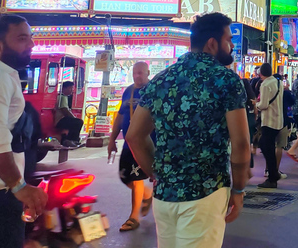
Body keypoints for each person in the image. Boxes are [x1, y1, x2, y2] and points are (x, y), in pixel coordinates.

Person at [125, 12, 251, 248]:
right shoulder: (226, 80)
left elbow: (133, 136)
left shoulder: (161, 79)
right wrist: (239, 189)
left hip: (164, 197)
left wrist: (157, 173)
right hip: (206, 194)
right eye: (228, 39)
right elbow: (241, 143)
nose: (232, 45)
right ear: (212, 43)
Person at [0, 15, 48, 248]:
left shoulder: (4, 73)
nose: (31, 45)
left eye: (31, 38)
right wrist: (19, 187)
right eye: (22, 38)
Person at [108, 61, 154, 232]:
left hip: (144, 142)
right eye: (135, 73)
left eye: (141, 73)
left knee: (136, 179)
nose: (137, 76)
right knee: (125, 177)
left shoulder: (153, 90)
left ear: (148, 72)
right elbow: (120, 116)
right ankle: (147, 194)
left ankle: (134, 217)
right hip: (128, 143)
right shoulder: (129, 91)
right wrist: (112, 139)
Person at [256, 65, 285, 188]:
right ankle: (274, 173)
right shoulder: (278, 83)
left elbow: (263, 105)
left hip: (268, 121)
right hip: (278, 119)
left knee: (266, 147)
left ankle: (272, 177)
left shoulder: (265, 85)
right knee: (268, 147)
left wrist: (255, 104)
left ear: (261, 73)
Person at [54, 81, 83, 147]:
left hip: (61, 120)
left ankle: (72, 140)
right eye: (71, 88)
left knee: (76, 122)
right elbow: (65, 110)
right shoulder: (62, 97)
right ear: (65, 88)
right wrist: (73, 118)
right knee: (78, 122)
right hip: (60, 120)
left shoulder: (63, 97)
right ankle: (71, 140)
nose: (72, 91)